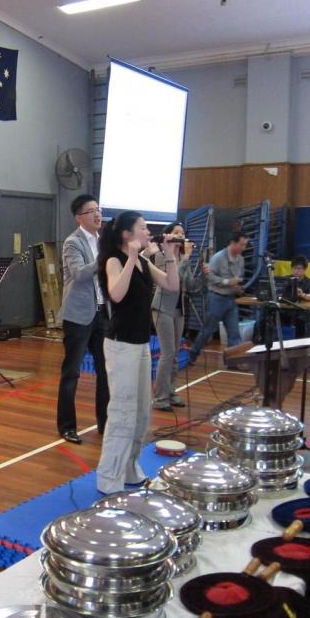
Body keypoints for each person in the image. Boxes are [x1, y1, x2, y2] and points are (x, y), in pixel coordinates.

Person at [96, 211, 179, 495]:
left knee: (142, 412)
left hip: (141, 342)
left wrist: (170, 255)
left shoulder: (144, 261)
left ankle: (130, 469)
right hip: (121, 344)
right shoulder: (114, 260)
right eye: (142, 228)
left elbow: (172, 285)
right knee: (122, 411)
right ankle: (109, 478)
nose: (147, 232)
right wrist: (131, 257)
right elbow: (116, 294)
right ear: (126, 235)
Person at [56, 194, 109, 444]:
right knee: (72, 372)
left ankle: (105, 422)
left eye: (98, 210)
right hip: (77, 315)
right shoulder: (72, 242)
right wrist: (104, 257)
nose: (97, 215)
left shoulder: (102, 240)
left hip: (102, 312)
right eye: (91, 211)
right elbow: (79, 274)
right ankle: (67, 426)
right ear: (79, 217)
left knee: (105, 370)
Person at [151, 221, 203, 411]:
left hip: (179, 309)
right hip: (162, 307)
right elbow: (170, 282)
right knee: (168, 353)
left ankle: (171, 392)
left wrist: (203, 275)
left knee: (174, 354)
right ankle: (160, 398)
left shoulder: (182, 257)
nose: (181, 236)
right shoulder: (161, 255)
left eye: (182, 233)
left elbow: (190, 285)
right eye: (176, 232)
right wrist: (187, 258)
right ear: (168, 235)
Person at [188, 232, 249, 365]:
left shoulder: (241, 260)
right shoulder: (218, 257)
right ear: (232, 243)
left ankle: (233, 362)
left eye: (245, 245)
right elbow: (209, 277)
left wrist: (237, 287)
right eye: (241, 244)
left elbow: (238, 278)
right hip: (216, 298)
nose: (243, 247)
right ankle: (192, 354)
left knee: (234, 333)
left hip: (231, 299)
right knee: (207, 330)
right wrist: (227, 282)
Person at [282, 254, 310, 336]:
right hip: (285, 310)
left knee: (303, 322)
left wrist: (302, 295)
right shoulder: (285, 279)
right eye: (294, 268)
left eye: (299, 268)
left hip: (301, 312)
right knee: (266, 319)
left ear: (305, 269)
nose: (296, 271)